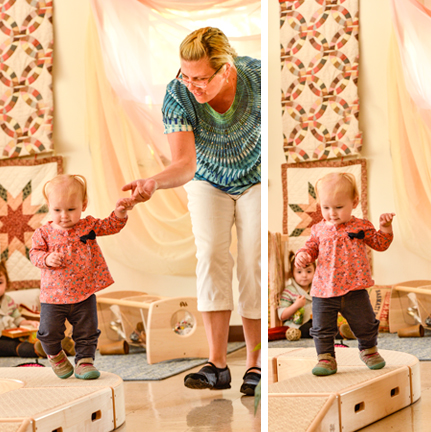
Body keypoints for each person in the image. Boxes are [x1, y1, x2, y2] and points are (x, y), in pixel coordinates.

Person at [121, 27, 261, 395]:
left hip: (257, 178)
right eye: (186, 74)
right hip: (206, 179)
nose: (192, 85)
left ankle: (256, 362)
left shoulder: (258, 79)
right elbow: (184, 164)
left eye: (201, 78)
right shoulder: (178, 94)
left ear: (226, 69)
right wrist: (154, 182)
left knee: (252, 258)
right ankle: (217, 365)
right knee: (212, 254)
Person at [30, 175, 133, 379]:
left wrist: (120, 212)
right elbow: (34, 254)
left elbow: (110, 225)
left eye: (71, 209)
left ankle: (85, 361)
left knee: (87, 332)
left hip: (84, 293)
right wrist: (47, 258)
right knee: (48, 332)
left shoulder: (87, 226)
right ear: (48, 206)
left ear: (83, 205)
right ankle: (56, 355)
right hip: (53, 296)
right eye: (57, 210)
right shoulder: (43, 233)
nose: (64, 216)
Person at [294, 173, 394, 376]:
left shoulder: (361, 226)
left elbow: (380, 244)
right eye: (326, 207)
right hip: (324, 290)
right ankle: (326, 358)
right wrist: (303, 255)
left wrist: (385, 228)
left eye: (339, 207)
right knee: (322, 328)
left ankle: (368, 350)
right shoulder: (318, 229)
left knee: (366, 323)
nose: (332, 213)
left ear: (354, 202)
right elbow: (310, 248)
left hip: (354, 288)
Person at [278, 253, 355, 341]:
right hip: (298, 327)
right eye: (299, 272)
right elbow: (282, 315)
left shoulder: (317, 288)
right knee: (315, 328)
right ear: (292, 273)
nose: (304, 275)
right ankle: (342, 334)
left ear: (315, 271)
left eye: (309, 271)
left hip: (316, 321)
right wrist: (296, 305)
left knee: (326, 325)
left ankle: (346, 332)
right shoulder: (289, 291)